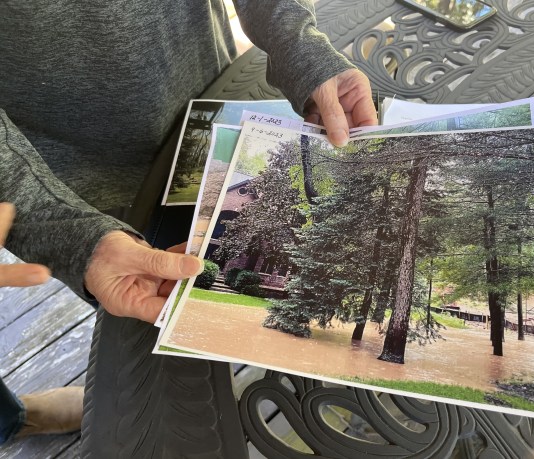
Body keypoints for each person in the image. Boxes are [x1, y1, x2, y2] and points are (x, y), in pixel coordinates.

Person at [0, 0, 377, 445]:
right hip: (66, 174)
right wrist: (69, 231)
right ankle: (11, 421)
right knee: (147, 317)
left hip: (216, 107)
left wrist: (300, 47)